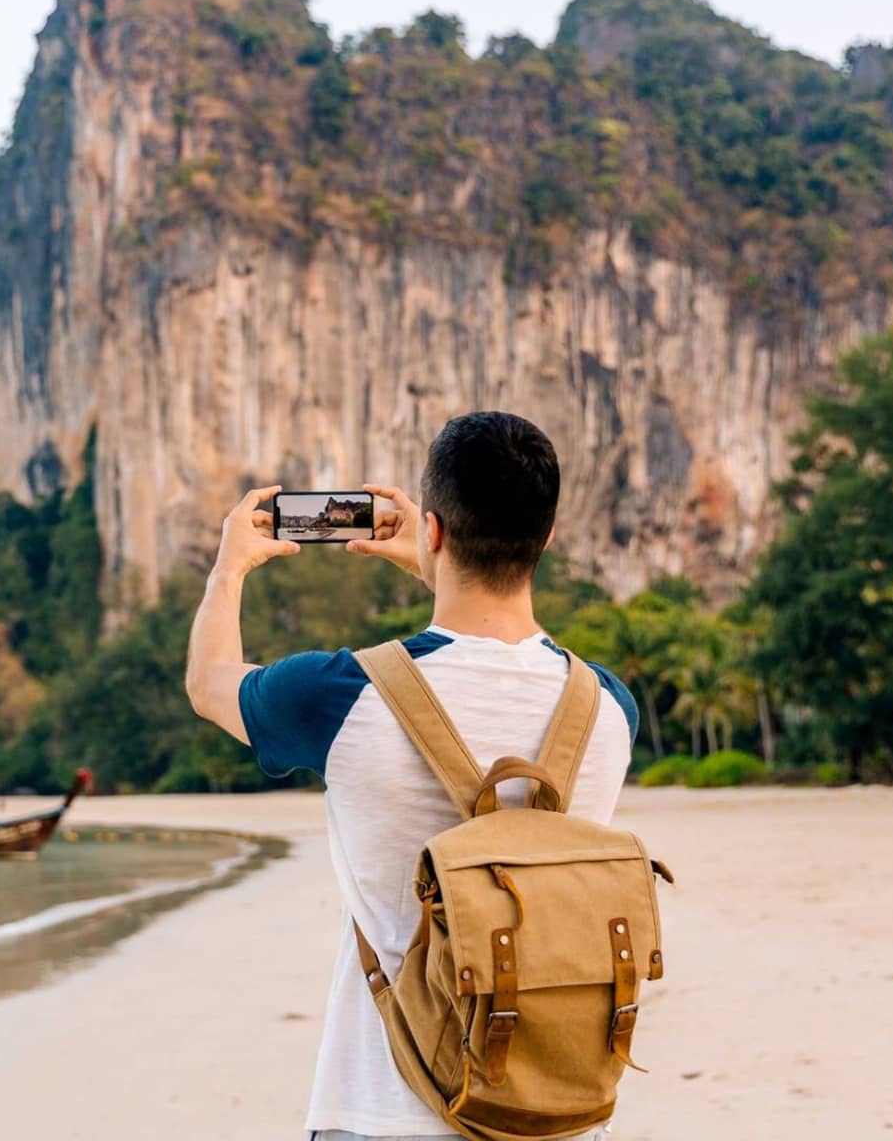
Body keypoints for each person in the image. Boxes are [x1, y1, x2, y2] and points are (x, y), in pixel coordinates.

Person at [185, 411, 641, 1141]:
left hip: (386, 1110)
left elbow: (210, 684)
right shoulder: (609, 708)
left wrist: (229, 564)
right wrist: (433, 557)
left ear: (433, 529)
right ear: (546, 538)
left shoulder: (342, 694)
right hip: (556, 1113)